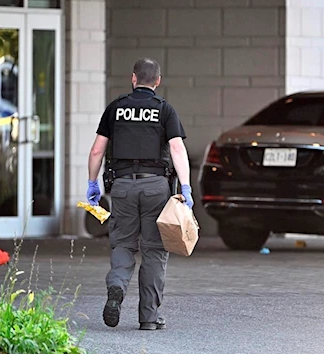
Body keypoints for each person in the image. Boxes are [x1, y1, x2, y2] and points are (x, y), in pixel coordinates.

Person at [86, 57, 193, 330]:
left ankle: (117, 286)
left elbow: (97, 150)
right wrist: (186, 187)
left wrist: (92, 183)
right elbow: (178, 150)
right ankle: (149, 317)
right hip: (155, 187)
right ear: (157, 81)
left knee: (123, 244)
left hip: (121, 187)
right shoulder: (164, 110)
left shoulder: (116, 108)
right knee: (155, 250)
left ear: (133, 78)